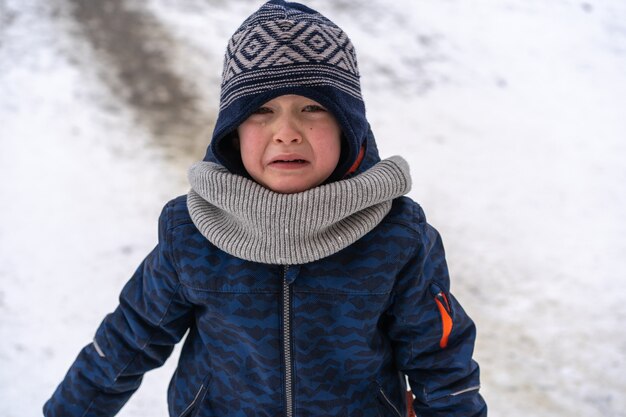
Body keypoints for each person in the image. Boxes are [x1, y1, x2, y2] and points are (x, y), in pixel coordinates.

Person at [44, 1, 487, 416]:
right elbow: (127, 341)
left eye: (313, 107)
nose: (287, 132)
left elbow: (440, 362)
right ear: (232, 132)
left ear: (349, 126)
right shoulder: (193, 231)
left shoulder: (396, 235)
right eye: (261, 111)